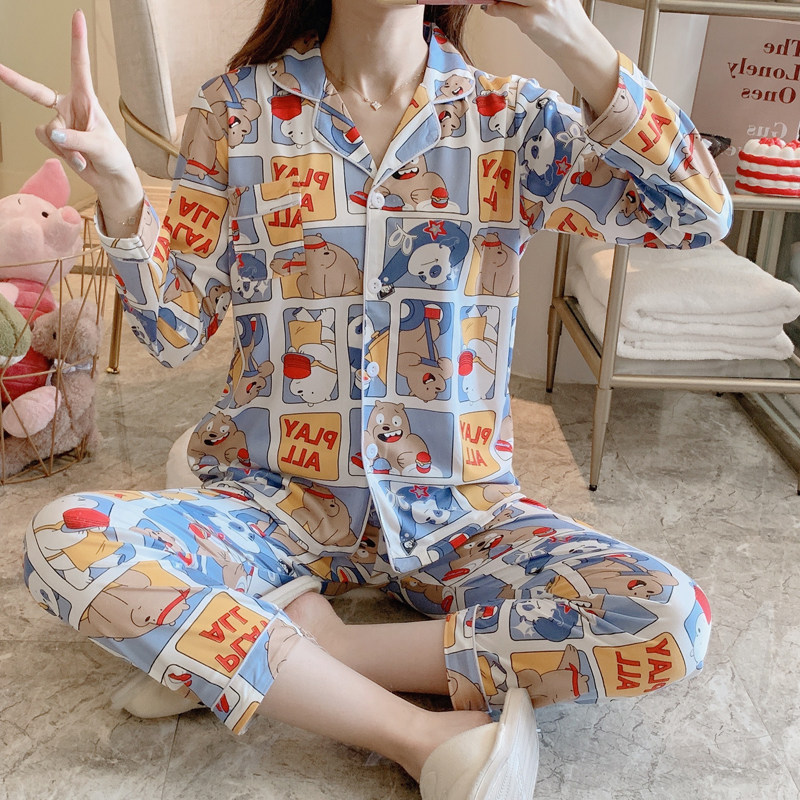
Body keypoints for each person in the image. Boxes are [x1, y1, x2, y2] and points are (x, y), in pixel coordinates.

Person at [0, 1, 729, 797]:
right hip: (273, 504)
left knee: (671, 616)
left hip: (460, 514)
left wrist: (565, 28)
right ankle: (413, 734)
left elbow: (696, 213)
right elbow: (175, 332)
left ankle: (315, 650)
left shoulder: (507, 120)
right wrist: (118, 188)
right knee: (64, 542)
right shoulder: (236, 110)